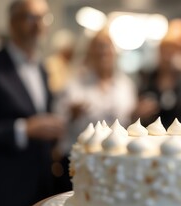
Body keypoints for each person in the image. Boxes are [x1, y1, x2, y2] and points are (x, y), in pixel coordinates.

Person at [0, 0, 64, 206]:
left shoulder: (42, 68)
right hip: (4, 188)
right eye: (31, 17)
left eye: (44, 17)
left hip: (41, 184)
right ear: (12, 22)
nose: (39, 24)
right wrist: (23, 129)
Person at [54, 29, 137, 192]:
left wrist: (136, 115)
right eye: (98, 47)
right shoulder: (74, 85)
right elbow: (58, 122)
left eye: (107, 47)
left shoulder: (125, 85)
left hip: (116, 161)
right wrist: (71, 115)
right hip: (81, 161)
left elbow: (127, 123)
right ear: (89, 53)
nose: (103, 52)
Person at [136, 19, 181, 128]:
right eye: (165, 48)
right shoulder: (148, 76)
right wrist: (139, 113)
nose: (168, 54)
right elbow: (136, 112)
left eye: (175, 48)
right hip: (151, 134)